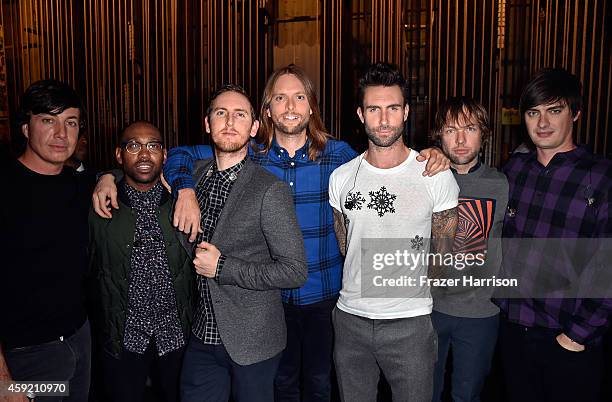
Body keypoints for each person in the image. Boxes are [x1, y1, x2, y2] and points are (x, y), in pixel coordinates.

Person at [91, 64, 449, 402]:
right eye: (280, 97)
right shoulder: (250, 153)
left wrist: (432, 154)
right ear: (266, 111)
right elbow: (177, 154)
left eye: (299, 97)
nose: (290, 106)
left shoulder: (338, 157)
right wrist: (135, 179)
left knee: (322, 385)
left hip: (325, 296)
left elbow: (384, 158)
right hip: (270, 302)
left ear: (311, 107)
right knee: (282, 385)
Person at [328, 62, 459, 402]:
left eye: (392, 108)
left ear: (406, 112)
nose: (383, 119)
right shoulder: (341, 178)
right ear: (360, 114)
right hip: (350, 320)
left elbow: (441, 257)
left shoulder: (435, 175)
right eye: (374, 109)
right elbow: (346, 245)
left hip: (410, 324)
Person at [174, 84, 307, 402]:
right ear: (207, 124)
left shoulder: (269, 190)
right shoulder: (191, 177)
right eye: (221, 113)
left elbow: (294, 271)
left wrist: (222, 268)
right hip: (201, 335)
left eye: (240, 115)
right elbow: (142, 172)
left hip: (254, 341)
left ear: (254, 127)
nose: (229, 122)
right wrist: (106, 178)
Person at [497, 68, 612, 402]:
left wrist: (577, 335)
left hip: (569, 338)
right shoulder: (514, 171)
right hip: (513, 330)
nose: (543, 122)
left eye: (555, 110)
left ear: (575, 113)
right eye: (534, 112)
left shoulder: (601, 176)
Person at [88, 121, 195, 402]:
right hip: (123, 339)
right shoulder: (99, 205)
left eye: (153, 146)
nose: (145, 154)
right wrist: (106, 176)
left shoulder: (184, 201)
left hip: (176, 336)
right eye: (134, 146)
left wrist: (185, 190)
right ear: (119, 155)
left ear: (165, 155)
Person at [0, 79, 93, 401]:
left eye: (70, 122)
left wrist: (108, 178)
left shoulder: (79, 185)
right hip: (26, 357)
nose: (60, 134)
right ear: (26, 128)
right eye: (47, 120)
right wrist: (4, 382)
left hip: (79, 339)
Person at [430, 97, 508, 402]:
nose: (460, 140)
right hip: (429, 309)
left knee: (468, 395)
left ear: (484, 133)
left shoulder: (502, 184)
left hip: (480, 312)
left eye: (470, 129)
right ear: (439, 135)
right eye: (451, 130)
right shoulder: (425, 178)